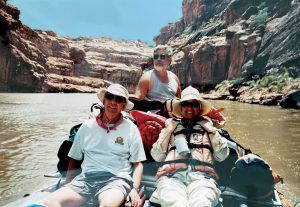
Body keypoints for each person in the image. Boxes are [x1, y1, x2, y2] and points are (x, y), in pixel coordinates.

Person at [44, 84, 146, 207]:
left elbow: (137, 164)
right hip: (86, 179)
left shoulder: (131, 128)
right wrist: (68, 185)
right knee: (51, 202)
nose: (113, 102)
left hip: (116, 180)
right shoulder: (87, 126)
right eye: (110, 97)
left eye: (119, 99)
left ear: (123, 106)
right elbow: (74, 159)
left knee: (107, 205)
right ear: (104, 100)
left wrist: (134, 189)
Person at [150, 86, 229, 207]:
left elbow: (222, 156)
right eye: (185, 104)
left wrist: (211, 129)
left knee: (202, 203)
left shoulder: (209, 127)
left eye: (195, 104)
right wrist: (168, 130)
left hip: (203, 179)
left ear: (200, 107)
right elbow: (157, 156)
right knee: (176, 204)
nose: (190, 108)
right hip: (171, 177)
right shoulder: (170, 127)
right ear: (181, 108)